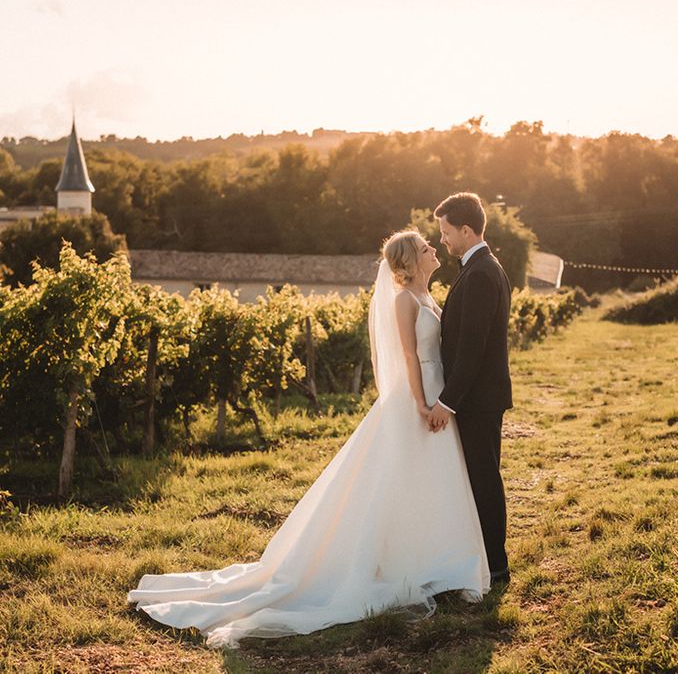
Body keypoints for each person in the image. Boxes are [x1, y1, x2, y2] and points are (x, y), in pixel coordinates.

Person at [127, 230, 490, 648]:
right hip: (419, 397)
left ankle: (436, 559)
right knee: (398, 478)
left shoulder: (429, 297)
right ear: (411, 259)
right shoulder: (405, 299)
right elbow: (409, 355)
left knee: (430, 481)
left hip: (438, 391)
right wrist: (422, 402)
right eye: (426, 246)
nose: (433, 248)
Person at [427, 193, 513, 584]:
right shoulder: (479, 266)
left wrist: (448, 401)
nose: (442, 240)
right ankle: (485, 560)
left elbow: (473, 349)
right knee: (480, 477)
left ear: (466, 230)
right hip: (479, 398)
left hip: (478, 400)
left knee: (484, 480)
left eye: (446, 232)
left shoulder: (480, 273)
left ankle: (495, 566)